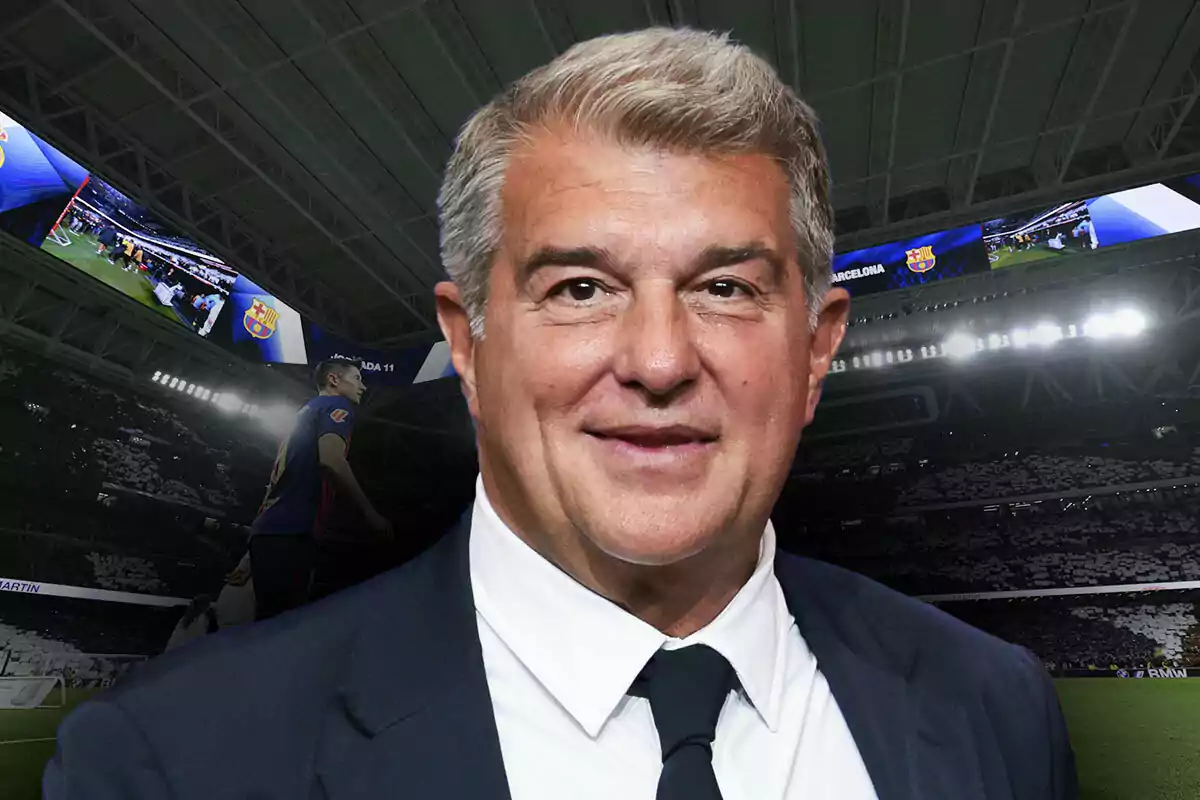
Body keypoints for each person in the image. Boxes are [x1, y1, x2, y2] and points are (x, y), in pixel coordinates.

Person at [44, 28, 1076, 800]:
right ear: (469, 341)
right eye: (580, 286)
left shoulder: (996, 709)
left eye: (725, 286)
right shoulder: (175, 759)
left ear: (815, 347)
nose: (660, 359)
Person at [243, 357, 391, 620]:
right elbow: (332, 461)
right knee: (281, 631)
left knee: (266, 627)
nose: (363, 387)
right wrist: (371, 515)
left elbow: (276, 485)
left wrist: (249, 551)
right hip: (292, 533)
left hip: (269, 533)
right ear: (334, 380)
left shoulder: (306, 412)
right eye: (357, 378)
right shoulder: (336, 406)